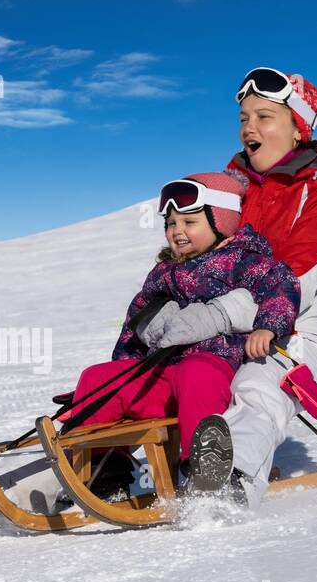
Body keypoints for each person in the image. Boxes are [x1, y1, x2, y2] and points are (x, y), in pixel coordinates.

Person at [145, 66, 317, 507]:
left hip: (302, 331)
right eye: (244, 118)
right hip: (220, 333)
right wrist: (163, 310)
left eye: (265, 117)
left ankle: (228, 485)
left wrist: (214, 315)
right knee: (141, 380)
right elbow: (194, 260)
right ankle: (66, 479)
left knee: (259, 385)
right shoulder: (230, 191)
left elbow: (297, 279)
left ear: (297, 129)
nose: (249, 128)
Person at [62, 170, 299, 496]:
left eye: (190, 223)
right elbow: (136, 322)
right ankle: (104, 468)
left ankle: (203, 470)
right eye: (171, 224)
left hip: (215, 366)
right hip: (161, 371)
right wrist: (126, 366)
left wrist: (267, 327)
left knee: (195, 372)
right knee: (98, 379)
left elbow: (282, 285)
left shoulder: (242, 259)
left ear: (222, 222)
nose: (177, 231)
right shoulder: (163, 272)